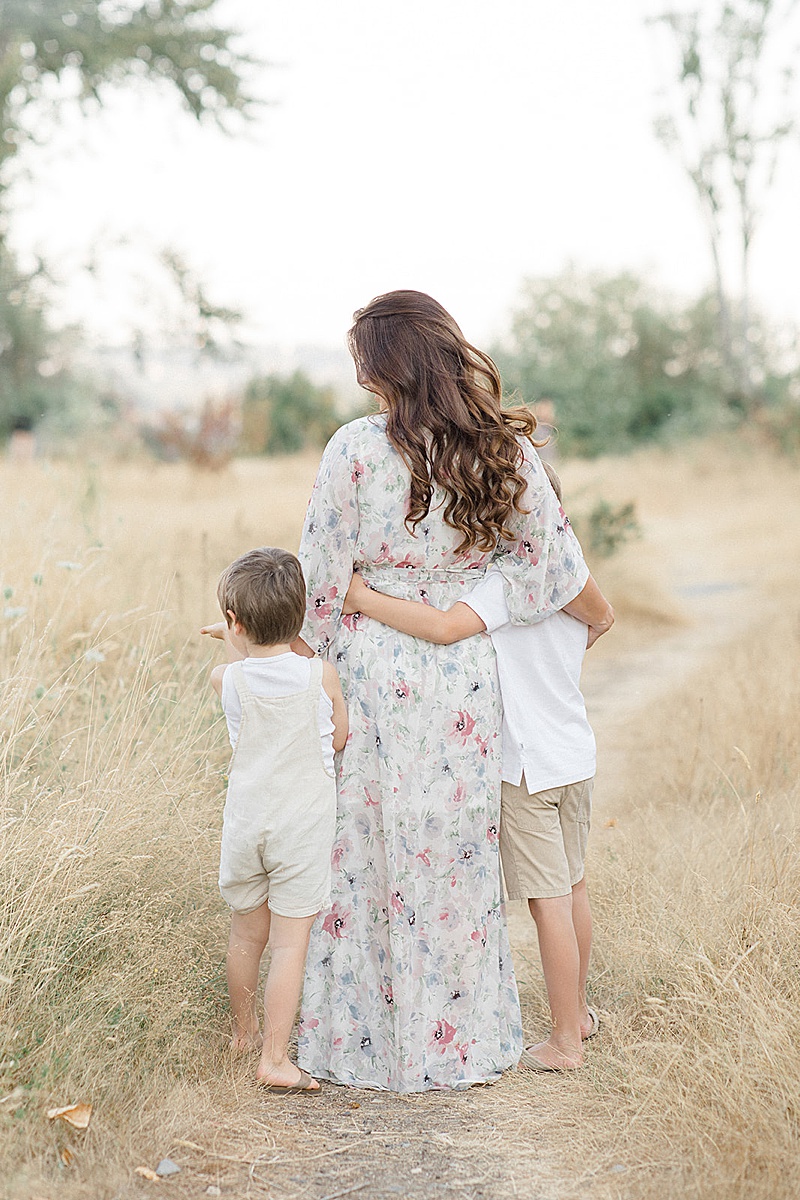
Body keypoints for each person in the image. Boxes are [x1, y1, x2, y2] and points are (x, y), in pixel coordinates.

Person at [295, 290, 604, 1092]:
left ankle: (364, 1042)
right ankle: (462, 1041)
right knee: (456, 862)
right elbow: (553, 567)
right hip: (465, 677)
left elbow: (321, 580)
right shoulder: (502, 452)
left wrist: (317, 657)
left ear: (377, 371)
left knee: (365, 857)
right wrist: (483, 602)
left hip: (369, 674)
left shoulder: (353, 451)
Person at [342, 461, 614, 1072]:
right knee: (573, 888)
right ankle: (583, 1013)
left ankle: (566, 1040)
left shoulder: (506, 583)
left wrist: (363, 596)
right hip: (575, 753)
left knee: (547, 904)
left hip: (526, 767)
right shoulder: (573, 581)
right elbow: (604, 618)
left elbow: (441, 627)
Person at [201, 546, 348, 1092]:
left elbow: (241, 660)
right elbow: (339, 738)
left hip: (245, 825)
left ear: (234, 623)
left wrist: (232, 636)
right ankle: (274, 1057)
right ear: (302, 615)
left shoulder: (227, 681)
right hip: (300, 828)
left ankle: (242, 1033)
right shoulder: (320, 677)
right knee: (289, 943)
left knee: (246, 933)